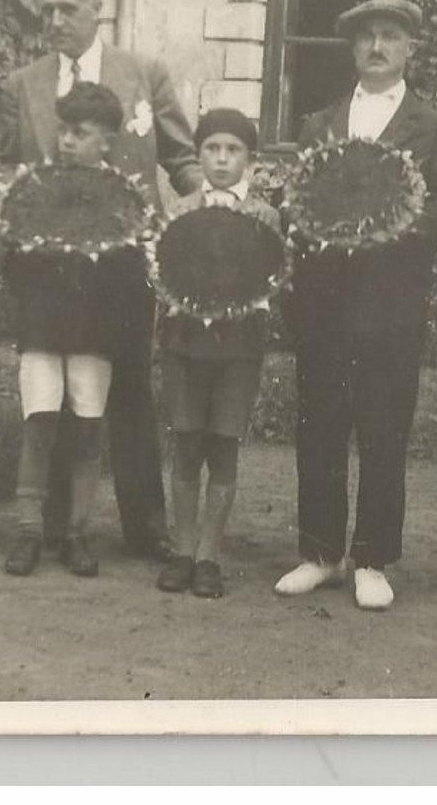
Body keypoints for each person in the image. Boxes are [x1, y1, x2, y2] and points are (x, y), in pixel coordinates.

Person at [0, 0, 204, 562]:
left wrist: (215, 209)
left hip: (124, 268)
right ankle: (54, 528)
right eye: (47, 11)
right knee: (55, 397)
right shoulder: (23, 85)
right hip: (50, 272)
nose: (56, 21)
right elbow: (8, 169)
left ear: (96, 6)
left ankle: (147, 528)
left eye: (68, 8)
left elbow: (181, 161)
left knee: (130, 390)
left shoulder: (144, 74)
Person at [273, 0, 437, 612]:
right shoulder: (321, 125)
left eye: (391, 37)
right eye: (367, 38)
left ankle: (373, 557)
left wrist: (392, 222)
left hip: (390, 305)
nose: (378, 47)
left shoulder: (435, 130)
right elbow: (296, 204)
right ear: (353, 49)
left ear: (410, 48)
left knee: (384, 428)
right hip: (325, 303)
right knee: (321, 425)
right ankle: (321, 552)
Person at [1, 82, 140, 580]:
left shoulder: (123, 200)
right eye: (63, 131)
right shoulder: (35, 190)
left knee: (85, 432)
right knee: (38, 426)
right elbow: (12, 264)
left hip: (93, 333)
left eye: (80, 133)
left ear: (106, 141)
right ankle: (26, 533)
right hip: (42, 327)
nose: (67, 142)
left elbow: (129, 275)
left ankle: (79, 534)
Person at [154, 107, 282, 600]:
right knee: (186, 443)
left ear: (250, 159)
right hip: (184, 344)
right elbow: (162, 272)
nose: (222, 160)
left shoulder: (264, 217)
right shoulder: (181, 211)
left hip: (238, 350)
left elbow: (274, 279)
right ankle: (183, 552)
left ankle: (210, 556)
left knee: (223, 447)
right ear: (199, 155)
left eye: (233, 151)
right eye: (212, 149)